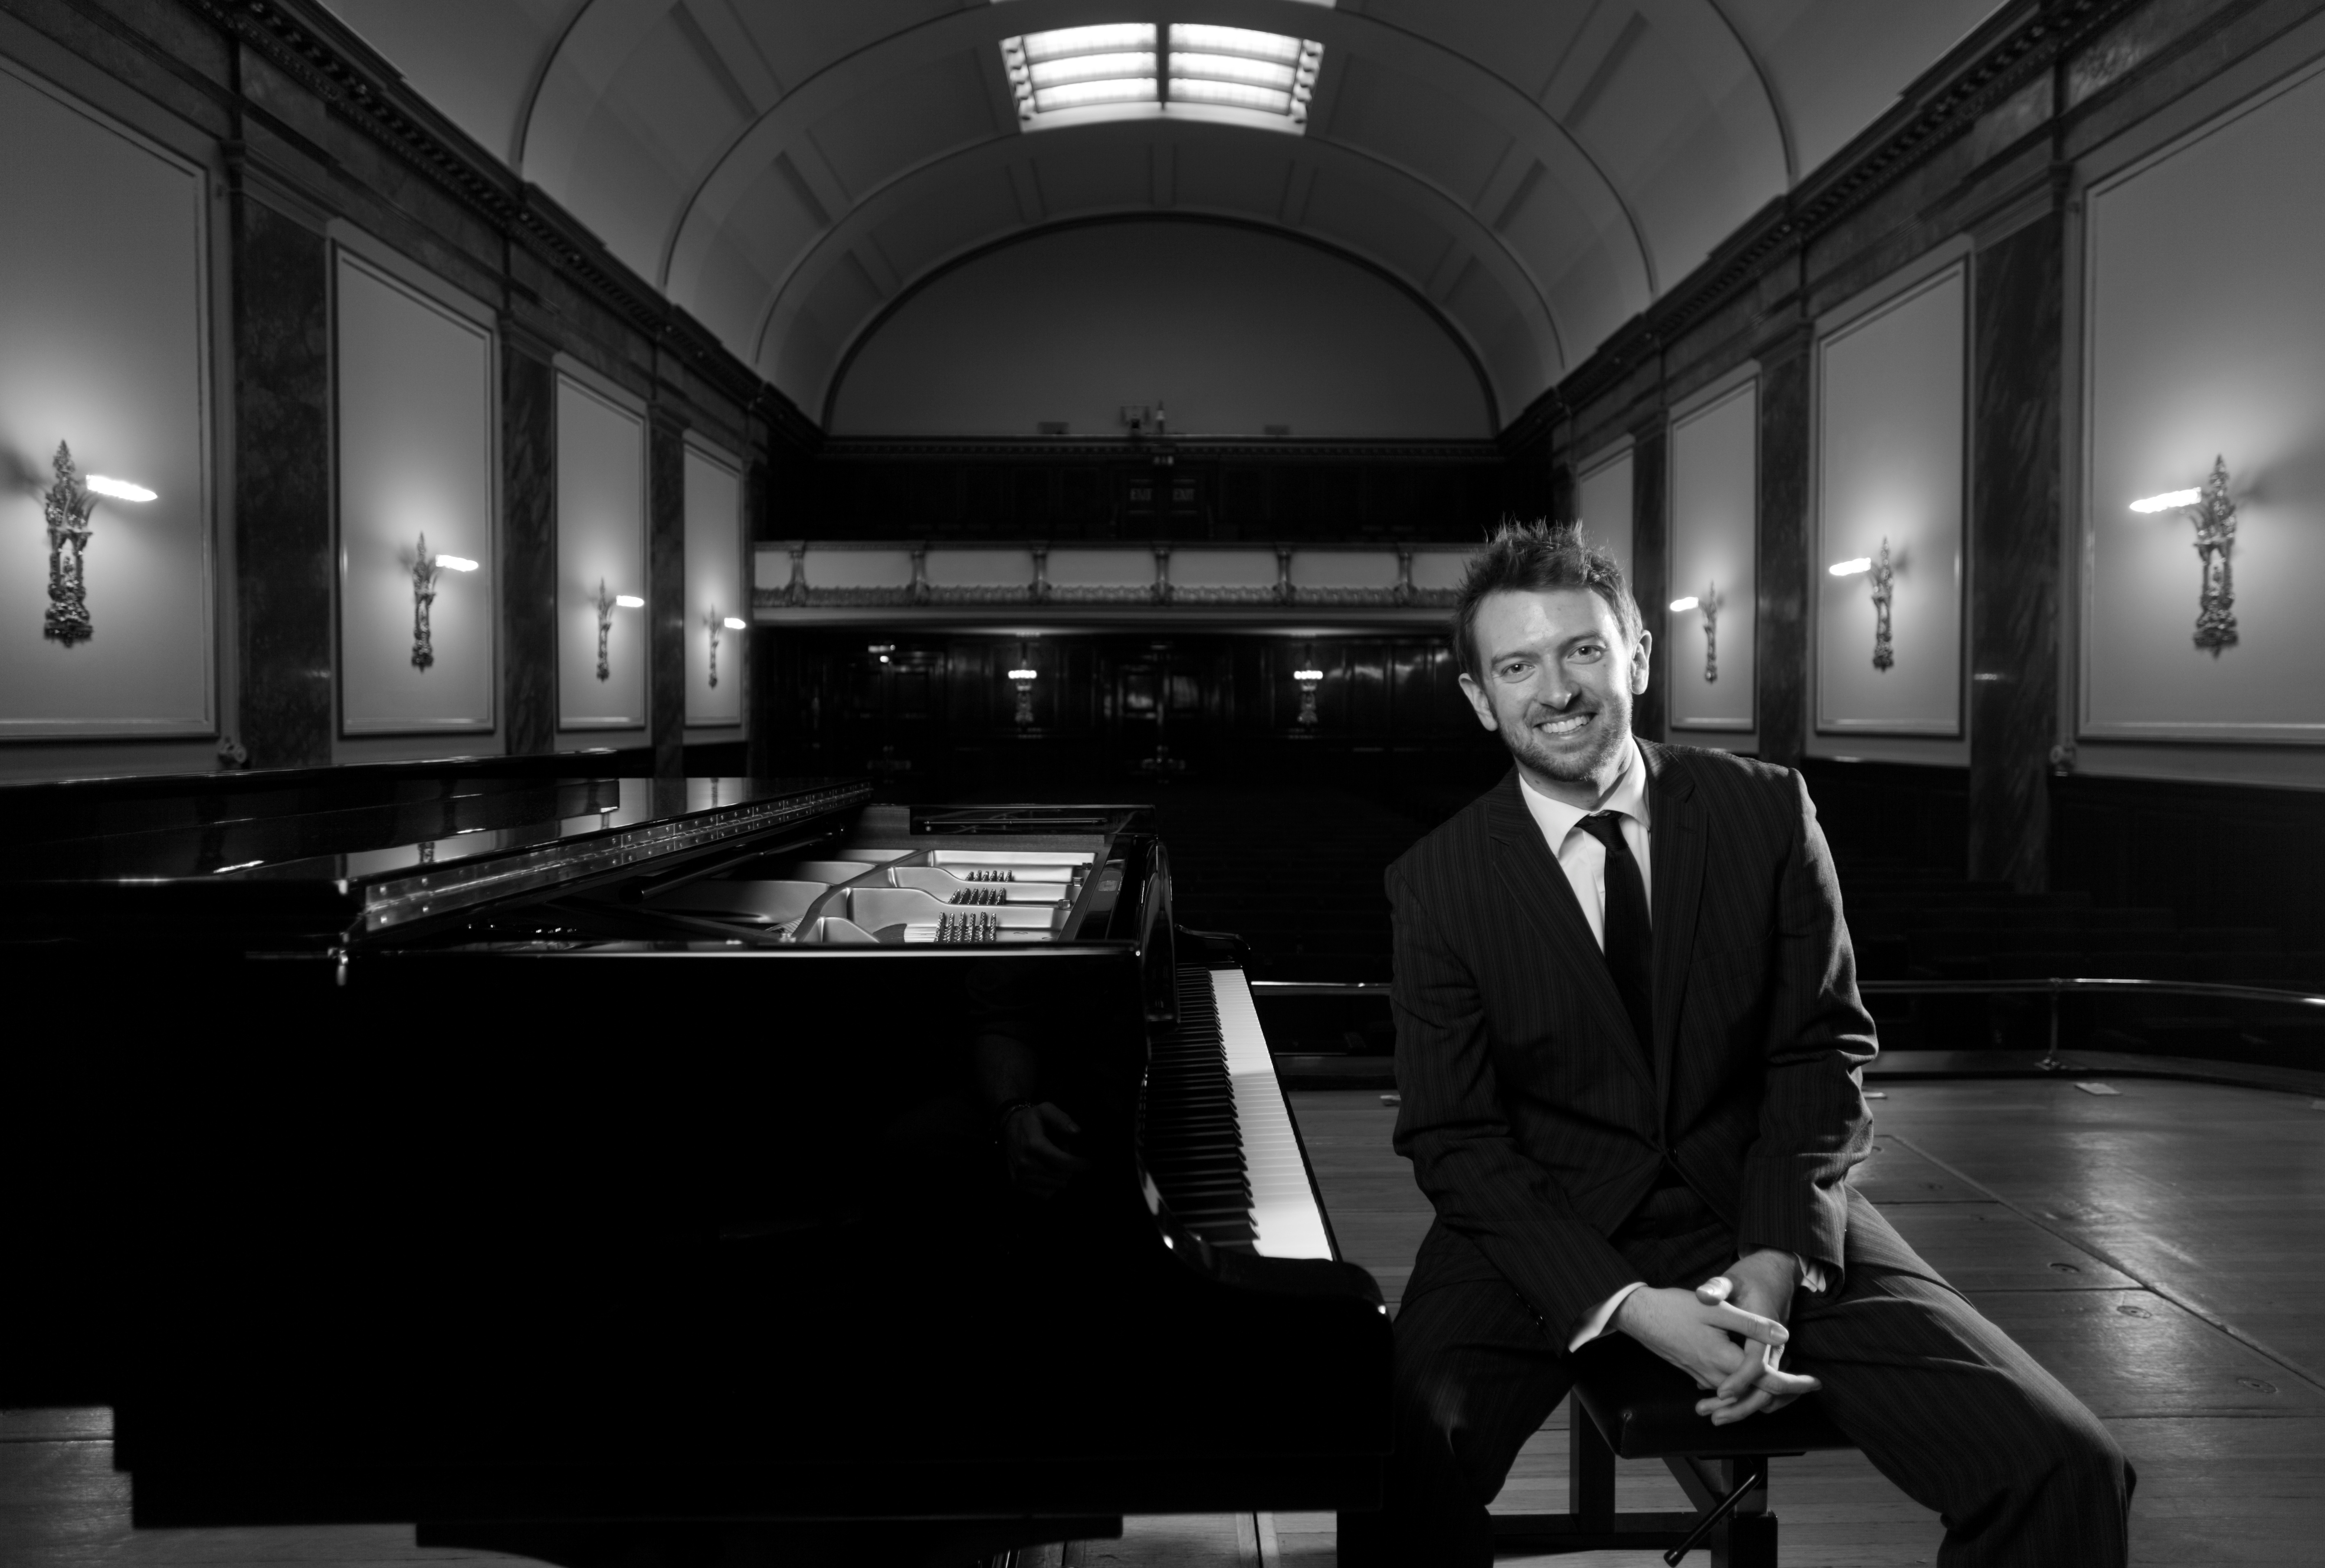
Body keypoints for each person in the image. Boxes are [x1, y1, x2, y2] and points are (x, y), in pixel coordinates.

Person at [1339, 522, 2131, 1567]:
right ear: (1481, 697)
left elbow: (1820, 1049)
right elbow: (1454, 1136)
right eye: (1518, 665)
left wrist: (1774, 1254)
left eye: (1583, 650)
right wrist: (1625, 1305)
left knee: (2064, 1463)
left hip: (1759, 1190)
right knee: (1387, 1459)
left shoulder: (1766, 810)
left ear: (1637, 657)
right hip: (1542, 1214)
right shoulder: (1435, 882)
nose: (1557, 689)